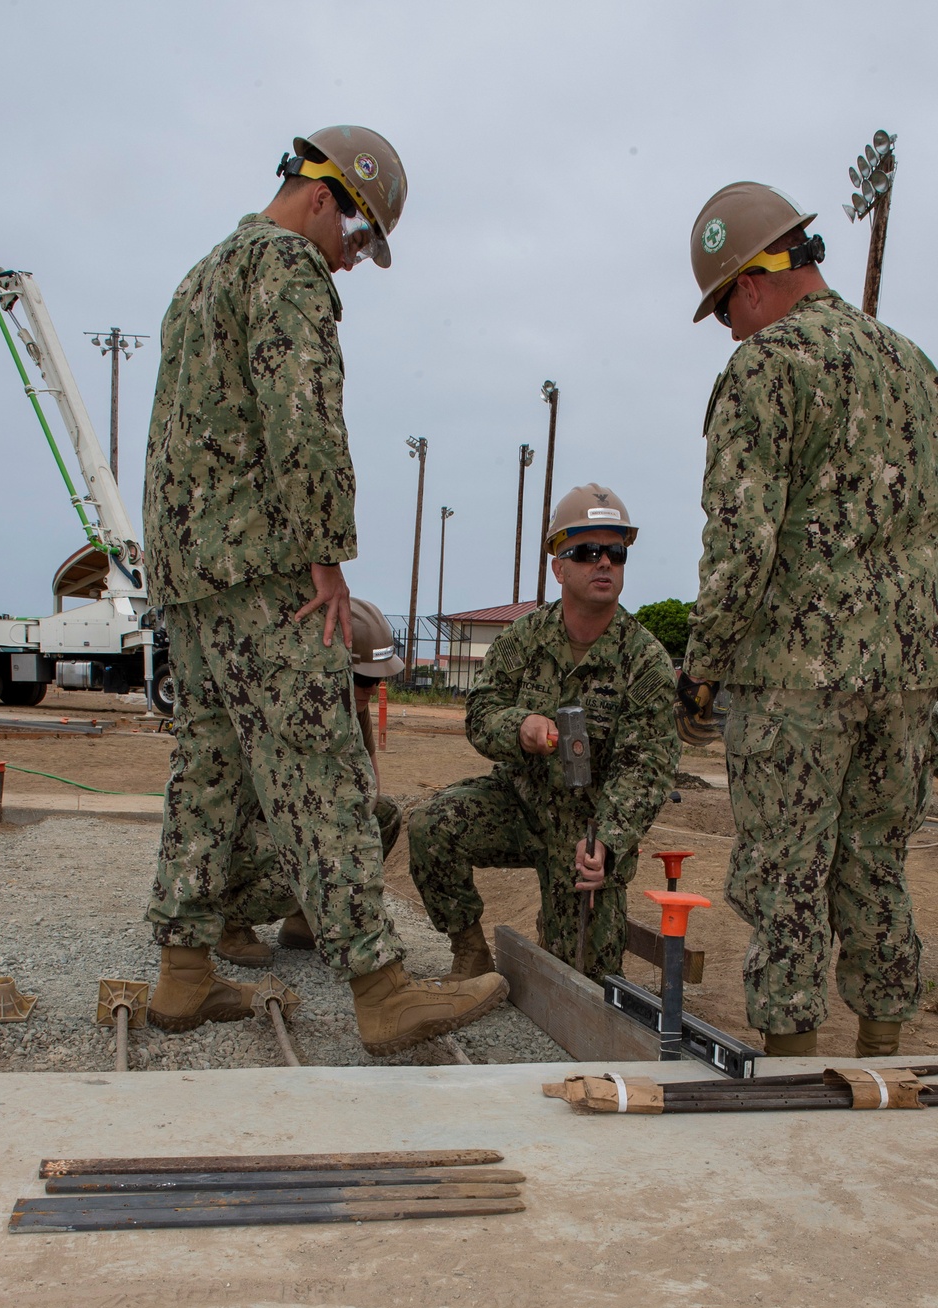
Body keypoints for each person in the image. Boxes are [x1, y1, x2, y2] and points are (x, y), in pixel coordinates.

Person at [142, 126, 506, 1054]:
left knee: (209, 772)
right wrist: (325, 550)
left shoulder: (198, 276)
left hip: (189, 579)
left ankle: (183, 972)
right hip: (263, 574)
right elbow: (302, 413)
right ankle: (382, 989)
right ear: (324, 197)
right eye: (357, 237)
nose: (350, 261)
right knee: (321, 766)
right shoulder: (286, 268)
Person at [680, 181, 938, 1058]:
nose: (729, 328)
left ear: (752, 282)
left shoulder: (766, 367)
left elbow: (740, 544)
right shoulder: (913, 366)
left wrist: (702, 669)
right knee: (876, 864)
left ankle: (789, 1077)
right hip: (907, 677)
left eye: (724, 309)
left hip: (794, 682)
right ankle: (884, 1061)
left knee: (787, 875)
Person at [408, 486, 679, 982]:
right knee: (431, 824)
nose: (604, 563)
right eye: (587, 552)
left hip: (589, 834)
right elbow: (481, 711)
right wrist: (521, 728)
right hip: (521, 804)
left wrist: (609, 843)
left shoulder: (646, 662)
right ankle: (469, 951)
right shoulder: (524, 638)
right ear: (559, 566)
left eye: (615, 553)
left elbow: (649, 768)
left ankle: (561, 936)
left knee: (585, 977)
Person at [214, 597, 405, 963]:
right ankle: (229, 920)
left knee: (382, 815)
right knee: (317, 853)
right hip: (251, 834)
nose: (369, 691)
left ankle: (307, 917)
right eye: (362, 679)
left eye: (378, 680)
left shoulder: (352, 707)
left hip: (303, 824)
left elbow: (369, 789)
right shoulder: (284, 704)